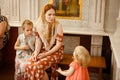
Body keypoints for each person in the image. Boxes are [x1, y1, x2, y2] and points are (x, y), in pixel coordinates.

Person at [24, 4, 64, 80]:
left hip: (56, 52)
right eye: (49, 14)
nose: (52, 17)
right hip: (43, 50)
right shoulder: (38, 25)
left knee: (37, 66)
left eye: (53, 14)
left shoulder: (58, 26)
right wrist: (36, 52)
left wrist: (45, 54)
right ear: (44, 14)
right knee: (28, 65)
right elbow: (38, 42)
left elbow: (58, 45)